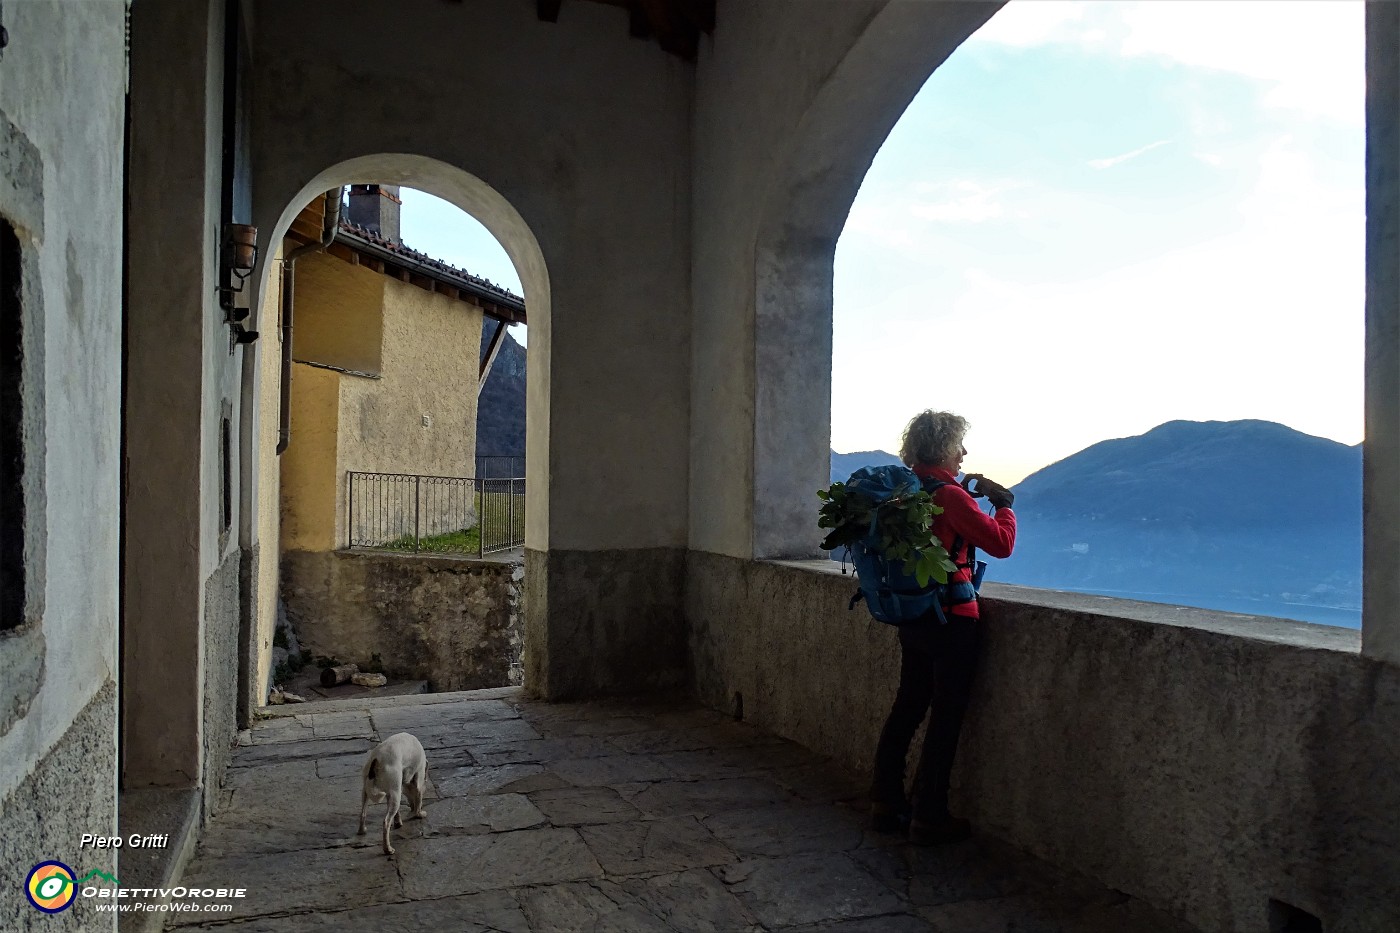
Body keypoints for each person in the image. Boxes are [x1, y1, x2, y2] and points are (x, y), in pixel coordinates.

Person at [869, 409, 1017, 845]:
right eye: (959, 446)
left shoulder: (903, 492)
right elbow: (1000, 544)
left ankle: (884, 801)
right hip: (953, 620)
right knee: (945, 716)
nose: (964, 453)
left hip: (911, 612)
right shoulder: (951, 497)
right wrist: (1004, 506)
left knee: (907, 707)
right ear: (944, 448)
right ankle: (929, 815)